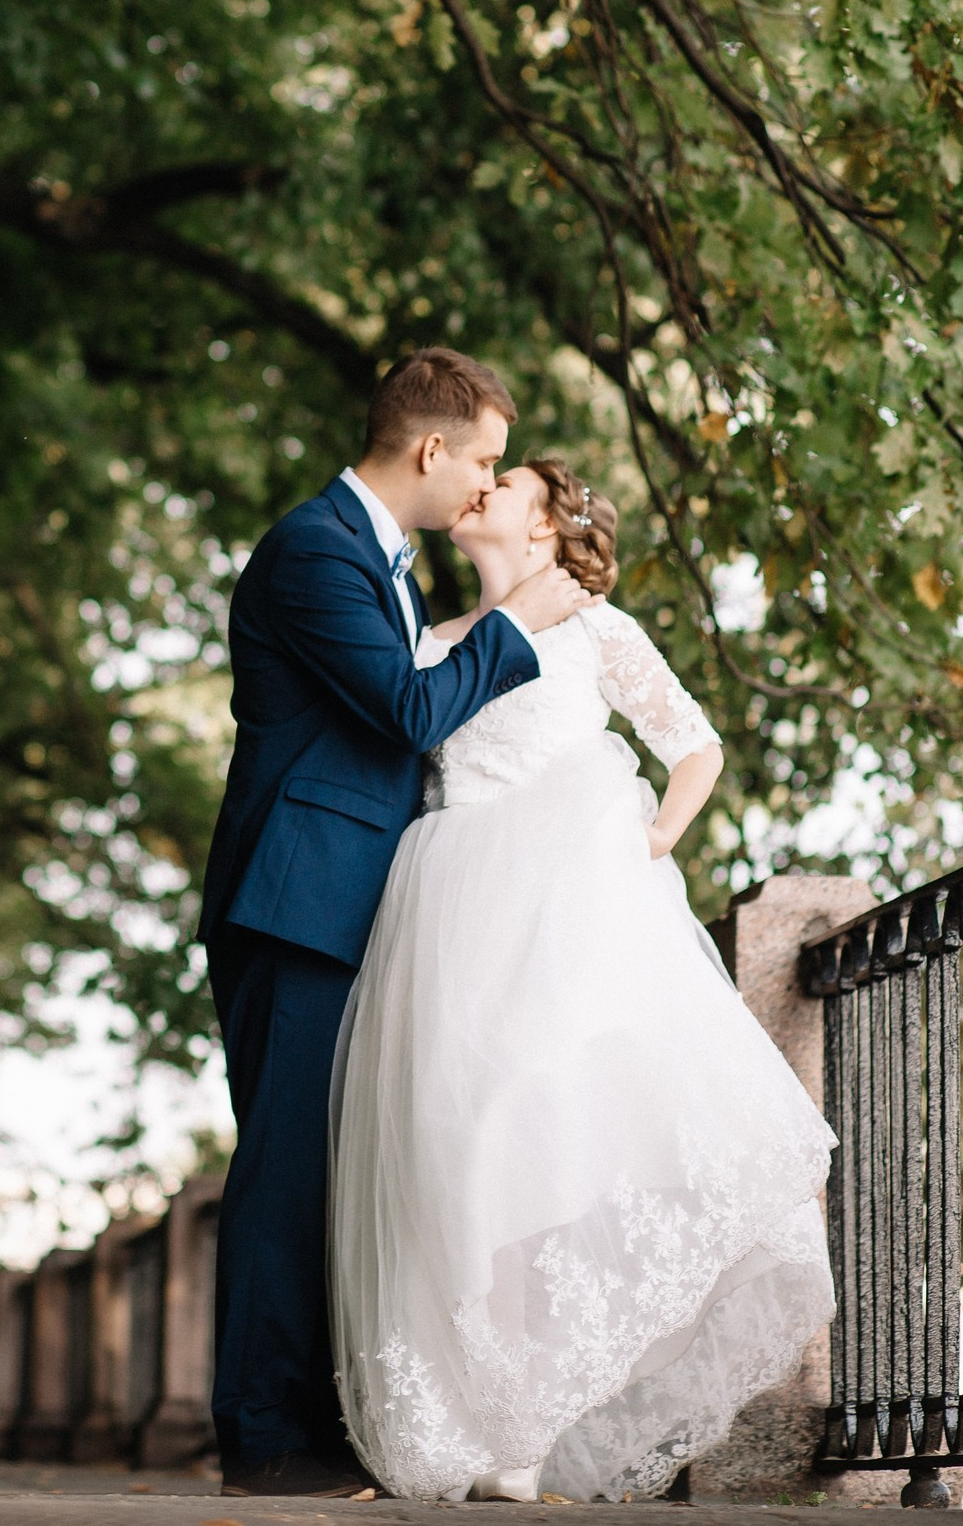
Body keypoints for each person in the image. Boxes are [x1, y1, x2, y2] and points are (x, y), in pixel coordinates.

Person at [330, 461, 834, 1502]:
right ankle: (483, 1412)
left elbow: (693, 746)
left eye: (504, 478)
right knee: (456, 1151)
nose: (479, 486)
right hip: (451, 908)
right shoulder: (432, 645)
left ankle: (530, 1426)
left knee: (548, 1132)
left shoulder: (599, 630)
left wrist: (650, 837)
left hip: (565, 905)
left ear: (554, 525)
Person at [199, 349, 597, 1498]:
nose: (483, 484)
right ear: (431, 449)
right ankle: (267, 1438)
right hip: (297, 898)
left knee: (332, 1171)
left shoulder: (379, 560)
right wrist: (520, 612)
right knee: (285, 1168)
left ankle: (323, 1424)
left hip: (348, 901)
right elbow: (409, 709)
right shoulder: (314, 550)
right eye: (478, 458)